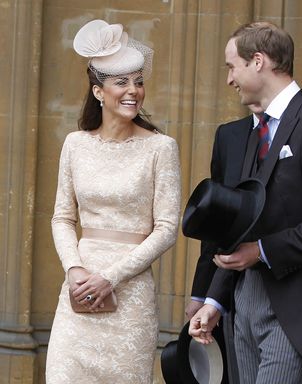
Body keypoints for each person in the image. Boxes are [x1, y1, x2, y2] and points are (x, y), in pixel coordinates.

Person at [188, 21, 302, 384]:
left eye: (233, 66)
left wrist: (261, 251)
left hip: (295, 311)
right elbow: (240, 227)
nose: (230, 79)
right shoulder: (255, 132)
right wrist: (214, 302)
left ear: (258, 61)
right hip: (244, 302)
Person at [45, 19, 181, 384]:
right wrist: (74, 268)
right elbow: (61, 217)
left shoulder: (160, 148)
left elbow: (167, 229)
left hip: (130, 300)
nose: (133, 90)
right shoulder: (75, 144)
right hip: (78, 295)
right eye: (121, 82)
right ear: (98, 91)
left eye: (139, 81)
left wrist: (111, 276)